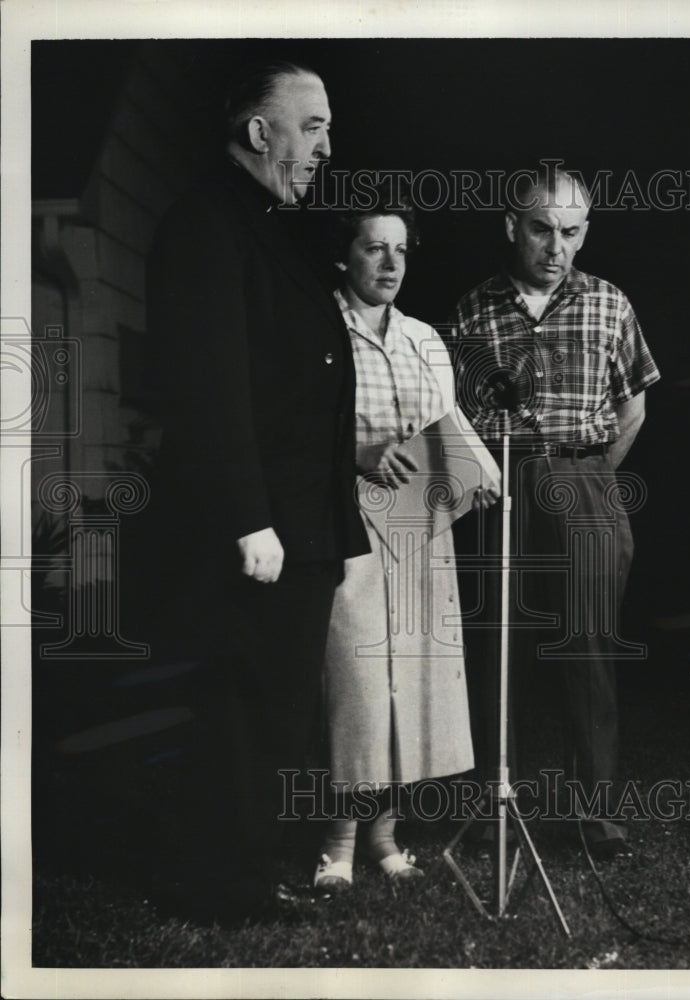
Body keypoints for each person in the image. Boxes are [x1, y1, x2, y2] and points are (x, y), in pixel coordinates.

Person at [145, 61, 368, 917]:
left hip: (298, 523)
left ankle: (241, 868)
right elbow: (208, 387)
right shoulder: (207, 223)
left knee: (272, 706)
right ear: (256, 131)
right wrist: (248, 518)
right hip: (262, 527)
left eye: (327, 128)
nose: (325, 147)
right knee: (243, 705)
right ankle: (220, 883)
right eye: (310, 126)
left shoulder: (265, 225)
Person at [451, 163, 660, 861]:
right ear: (512, 226)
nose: (556, 246)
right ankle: (493, 812)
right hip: (499, 488)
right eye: (542, 229)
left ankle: (594, 820)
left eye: (571, 232)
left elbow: (632, 407)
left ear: (585, 232)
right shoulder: (473, 310)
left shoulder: (609, 303)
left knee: (588, 652)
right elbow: (452, 417)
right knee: (496, 650)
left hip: (584, 481)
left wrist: (587, 476)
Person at [313, 189, 496, 890]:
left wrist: (475, 473)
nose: (390, 264)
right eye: (373, 248)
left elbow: (446, 428)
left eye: (400, 250)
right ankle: (337, 843)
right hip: (347, 521)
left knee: (410, 683)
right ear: (344, 256)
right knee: (356, 683)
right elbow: (295, 430)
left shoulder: (423, 339)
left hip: (419, 525)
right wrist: (357, 455)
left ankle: (386, 837)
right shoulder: (317, 328)